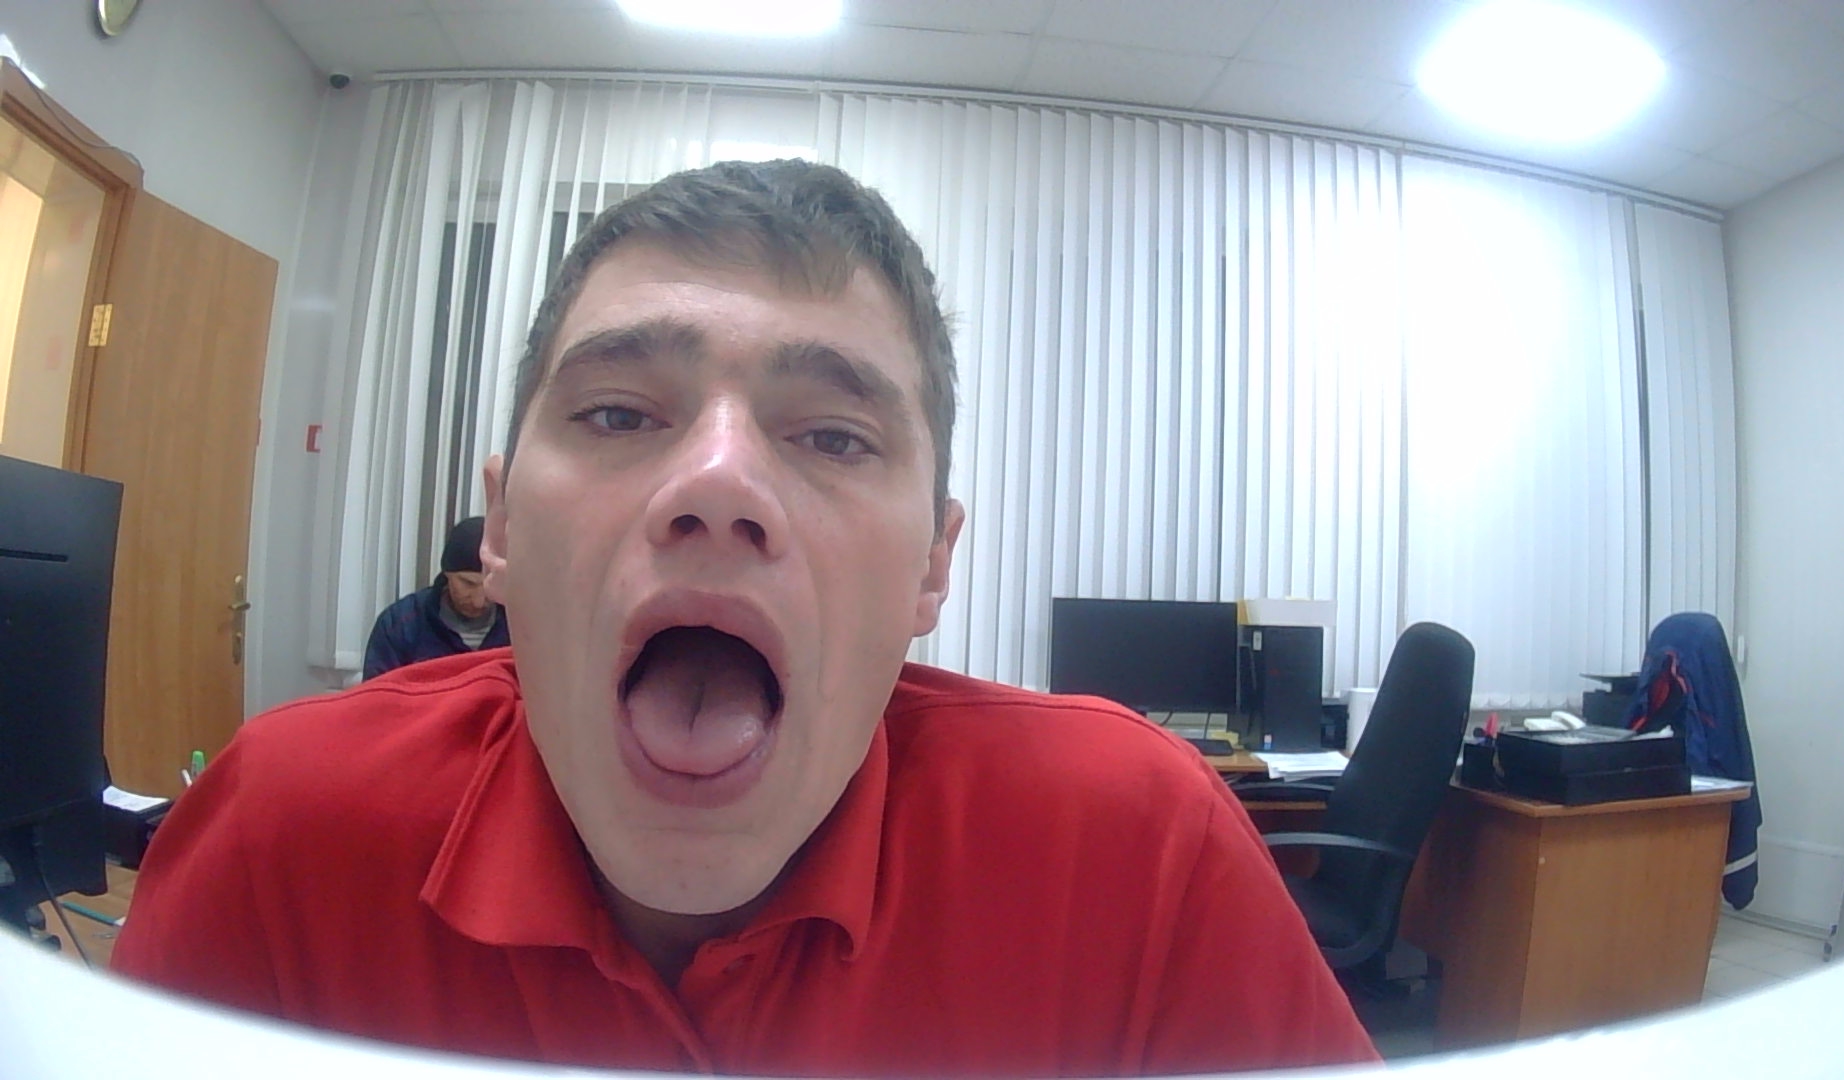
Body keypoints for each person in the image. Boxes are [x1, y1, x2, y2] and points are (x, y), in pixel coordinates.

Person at [111, 160, 1377, 1074]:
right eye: (618, 413)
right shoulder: (280, 835)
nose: (717, 486)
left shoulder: (1138, 854)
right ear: (500, 534)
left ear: (932, 569)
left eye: (833, 435)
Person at [360, 516, 510, 680]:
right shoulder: (400, 625)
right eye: (467, 583)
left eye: (490, 584)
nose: (478, 601)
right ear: (447, 574)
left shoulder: (518, 624)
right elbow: (376, 692)